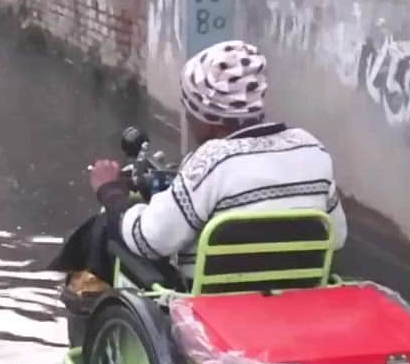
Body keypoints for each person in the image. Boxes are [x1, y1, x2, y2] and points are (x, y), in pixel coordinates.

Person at [53, 40, 348, 290]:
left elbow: (149, 239)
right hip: (295, 292)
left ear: (207, 118)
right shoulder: (311, 148)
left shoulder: (210, 162)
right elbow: (337, 236)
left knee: (107, 230)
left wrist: (110, 192)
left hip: (213, 304)